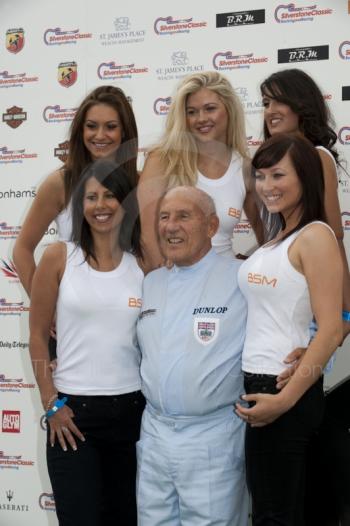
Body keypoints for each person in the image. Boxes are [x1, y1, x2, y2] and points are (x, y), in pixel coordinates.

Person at [235, 133, 343, 526]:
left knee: (275, 516)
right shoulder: (277, 240)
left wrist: (284, 400)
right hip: (264, 386)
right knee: (273, 512)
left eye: (278, 175)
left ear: (306, 178)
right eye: (260, 176)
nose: (267, 186)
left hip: (282, 391)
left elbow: (332, 328)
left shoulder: (315, 236)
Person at [29, 160, 145, 526]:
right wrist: (52, 405)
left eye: (110, 195)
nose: (101, 205)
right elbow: (35, 336)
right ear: (80, 205)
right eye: (91, 197)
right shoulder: (59, 256)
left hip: (133, 414)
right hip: (72, 416)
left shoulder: (143, 263)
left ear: (126, 202)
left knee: (124, 518)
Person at [136, 186, 249, 526]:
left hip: (213, 438)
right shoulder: (150, 283)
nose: (171, 226)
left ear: (212, 226)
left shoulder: (241, 277)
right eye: (165, 217)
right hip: (155, 434)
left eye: (184, 216)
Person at [13, 85, 138, 297]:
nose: (100, 135)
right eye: (91, 126)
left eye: (110, 126)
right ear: (81, 130)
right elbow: (22, 249)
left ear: (124, 131)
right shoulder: (60, 183)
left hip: (129, 310)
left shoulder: (139, 182)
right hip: (74, 314)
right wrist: (44, 304)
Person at [138, 71, 264, 272]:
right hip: (173, 282)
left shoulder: (245, 168)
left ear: (229, 110)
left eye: (210, 109)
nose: (201, 119)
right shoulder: (162, 160)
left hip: (225, 287)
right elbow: (147, 237)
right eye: (192, 112)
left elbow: (268, 240)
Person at [260, 68, 350, 339]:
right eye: (266, 103)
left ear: (302, 105)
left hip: (307, 295)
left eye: (279, 101)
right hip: (282, 290)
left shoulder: (317, 156)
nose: (270, 111)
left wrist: (345, 311)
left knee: (299, 377)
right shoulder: (274, 160)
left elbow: (333, 234)